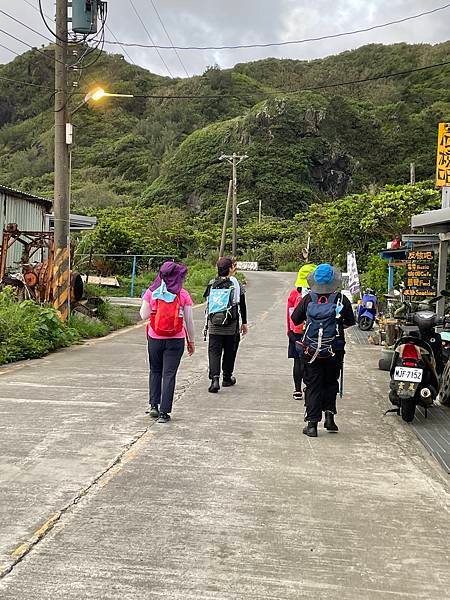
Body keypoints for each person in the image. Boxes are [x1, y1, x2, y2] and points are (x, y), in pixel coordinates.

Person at [291, 263, 355, 437]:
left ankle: (312, 425)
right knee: (330, 382)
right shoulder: (341, 299)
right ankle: (330, 419)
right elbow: (350, 321)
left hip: (311, 351)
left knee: (313, 385)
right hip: (335, 349)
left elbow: (295, 319)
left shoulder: (308, 299)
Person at [140, 261, 195, 423]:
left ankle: (153, 406)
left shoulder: (152, 292)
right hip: (176, 340)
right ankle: (165, 413)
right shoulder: (183, 294)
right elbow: (189, 321)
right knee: (169, 374)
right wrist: (191, 341)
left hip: (155, 338)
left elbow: (143, 315)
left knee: (155, 371)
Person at [204, 257, 248, 393]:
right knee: (230, 351)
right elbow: (242, 304)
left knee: (214, 351)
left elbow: (207, 301)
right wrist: (244, 322)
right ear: (230, 268)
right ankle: (227, 378)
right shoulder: (235, 283)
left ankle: (215, 379)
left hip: (214, 325)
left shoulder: (212, 283)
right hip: (231, 325)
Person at [286, 264, 317, 401]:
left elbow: (289, 314)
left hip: (296, 333)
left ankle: (297, 390)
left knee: (297, 362)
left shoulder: (294, 294)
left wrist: (289, 331)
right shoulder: (317, 295)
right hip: (313, 333)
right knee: (311, 361)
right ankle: (309, 387)